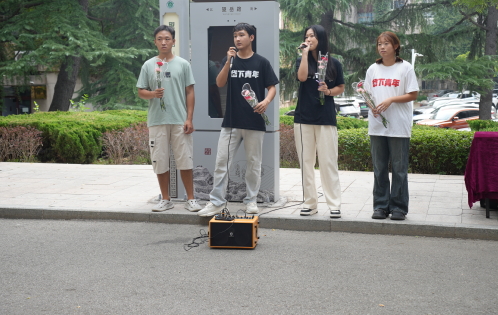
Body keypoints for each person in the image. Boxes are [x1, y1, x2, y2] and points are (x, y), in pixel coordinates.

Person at [198, 23, 279, 217]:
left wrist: (266, 101)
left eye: (241, 35)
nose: (237, 39)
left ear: (251, 37)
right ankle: (217, 202)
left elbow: (272, 87)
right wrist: (228, 61)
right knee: (221, 162)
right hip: (231, 122)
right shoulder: (230, 60)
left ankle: (251, 200)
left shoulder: (261, 62)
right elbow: (219, 83)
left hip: (254, 121)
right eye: (235, 36)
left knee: (254, 164)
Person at [136, 25, 201, 212]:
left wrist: (189, 118)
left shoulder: (183, 64)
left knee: (185, 160)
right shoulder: (148, 65)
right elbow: (141, 91)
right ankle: (165, 199)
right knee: (160, 160)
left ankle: (191, 199)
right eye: (159, 39)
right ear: (155, 42)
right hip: (157, 120)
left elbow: (190, 92)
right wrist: (153, 94)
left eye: (167, 39)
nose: (163, 42)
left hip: (180, 120)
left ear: (173, 41)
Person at [365, 31, 419, 221]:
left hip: (399, 126)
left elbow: (413, 94)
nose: (382, 47)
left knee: (399, 169)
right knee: (379, 168)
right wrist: (371, 106)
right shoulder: (373, 69)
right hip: (377, 125)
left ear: (396, 46)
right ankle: (380, 206)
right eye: (379, 43)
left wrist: (391, 100)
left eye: (386, 43)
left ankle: (398, 207)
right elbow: (367, 94)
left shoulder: (405, 68)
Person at [293, 25, 344, 218]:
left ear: (321, 38)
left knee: (328, 162)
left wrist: (328, 91)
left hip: (325, 118)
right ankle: (310, 203)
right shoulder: (301, 60)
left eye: (312, 36)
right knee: (306, 163)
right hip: (303, 118)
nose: (308, 39)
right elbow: (302, 77)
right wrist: (305, 54)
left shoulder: (333, 63)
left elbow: (340, 87)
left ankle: (334, 205)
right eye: (306, 36)